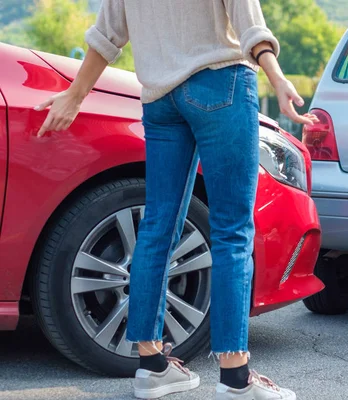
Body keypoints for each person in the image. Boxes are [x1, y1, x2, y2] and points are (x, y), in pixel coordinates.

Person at [35, 1, 318, 399]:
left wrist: (76, 95)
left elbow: (107, 36)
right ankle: (236, 378)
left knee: (157, 226)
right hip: (222, 84)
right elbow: (249, 25)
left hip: (160, 99)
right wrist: (277, 76)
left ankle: (152, 367)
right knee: (232, 232)